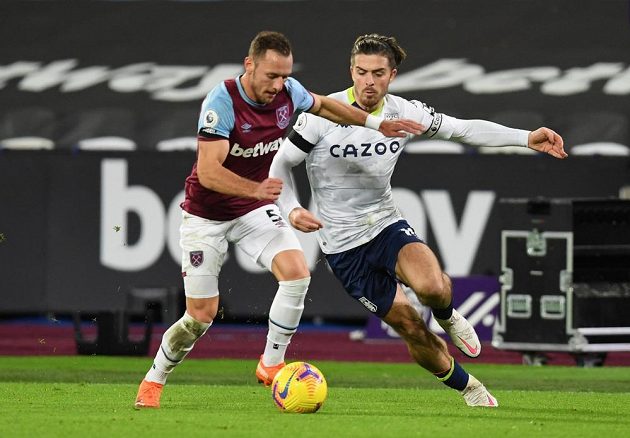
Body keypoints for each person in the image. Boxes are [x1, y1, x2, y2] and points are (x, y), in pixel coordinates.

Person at [269, 33, 567, 407]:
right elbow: (279, 163)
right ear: (351, 71)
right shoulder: (322, 114)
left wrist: (526, 138)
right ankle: (469, 387)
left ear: (392, 75)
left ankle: (447, 316)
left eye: (378, 73)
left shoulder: (405, 112)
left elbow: (461, 129)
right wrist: (292, 207)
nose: (369, 82)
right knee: (410, 326)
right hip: (342, 247)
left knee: (432, 288)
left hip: (385, 224)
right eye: (361, 72)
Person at [134, 31, 421, 409]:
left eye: (285, 75)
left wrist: (374, 124)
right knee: (200, 316)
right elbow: (208, 172)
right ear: (249, 65)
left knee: (297, 273)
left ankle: (271, 364)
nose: (279, 85)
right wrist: (256, 190)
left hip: (252, 209)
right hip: (207, 216)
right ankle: (154, 379)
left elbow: (327, 107)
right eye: (271, 75)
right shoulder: (222, 103)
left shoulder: (287, 93)